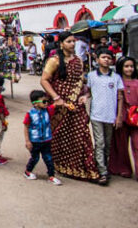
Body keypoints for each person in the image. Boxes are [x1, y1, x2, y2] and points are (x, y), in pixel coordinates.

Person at [39, 30, 99, 181]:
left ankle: (83, 167)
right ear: (61, 44)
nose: (72, 44)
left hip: (76, 103)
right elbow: (44, 80)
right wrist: (56, 98)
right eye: (69, 41)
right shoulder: (54, 61)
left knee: (80, 134)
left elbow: (81, 82)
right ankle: (62, 165)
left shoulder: (78, 60)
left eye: (74, 41)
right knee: (60, 135)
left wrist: (85, 95)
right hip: (60, 104)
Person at [83, 48, 124, 185]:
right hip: (96, 115)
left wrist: (119, 116)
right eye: (103, 57)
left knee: (107, 144)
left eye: (109, 58)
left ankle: (103, 166)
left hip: (110, 116)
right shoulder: (92, 76)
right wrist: (85, 97)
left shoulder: (116, 77)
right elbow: (89, 92)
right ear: (97, 60)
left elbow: (120, 97)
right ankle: (102, 171)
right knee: (99, 143)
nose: (106, 60)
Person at [23, 90, 62, 185]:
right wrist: (27, 141)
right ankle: (28, 171)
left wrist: (62, 102)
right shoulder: (30, 114)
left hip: (46, 140)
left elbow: (56, 104)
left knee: (48, 158)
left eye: (47, 101)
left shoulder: (48, 110)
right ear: (35, 103)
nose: (46, 103)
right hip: (35, 141)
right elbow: (26, 126)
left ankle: (51, 176)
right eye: (44, 101)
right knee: (35, 158)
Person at [108, 56, 138, 179]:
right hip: (121, 117)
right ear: (121, 67)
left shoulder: (137, 82)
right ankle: (123, 169)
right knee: (121, 145)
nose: (129, 69)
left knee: (137, 144)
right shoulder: (115, 82)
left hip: (135, 118)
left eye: (131, 66)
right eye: (126, 66)